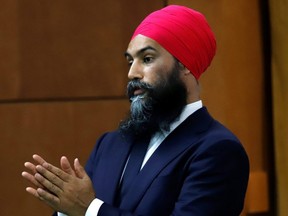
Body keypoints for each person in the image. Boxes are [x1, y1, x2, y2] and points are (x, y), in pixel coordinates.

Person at [22, 5, 249, 216]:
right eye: (130, 61)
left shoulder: (218, 150)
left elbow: (87, 208)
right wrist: (65, 209)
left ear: (185, 65)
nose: (132, 73)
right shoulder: (110, 144)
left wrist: (90, 210)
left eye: (147, 59)